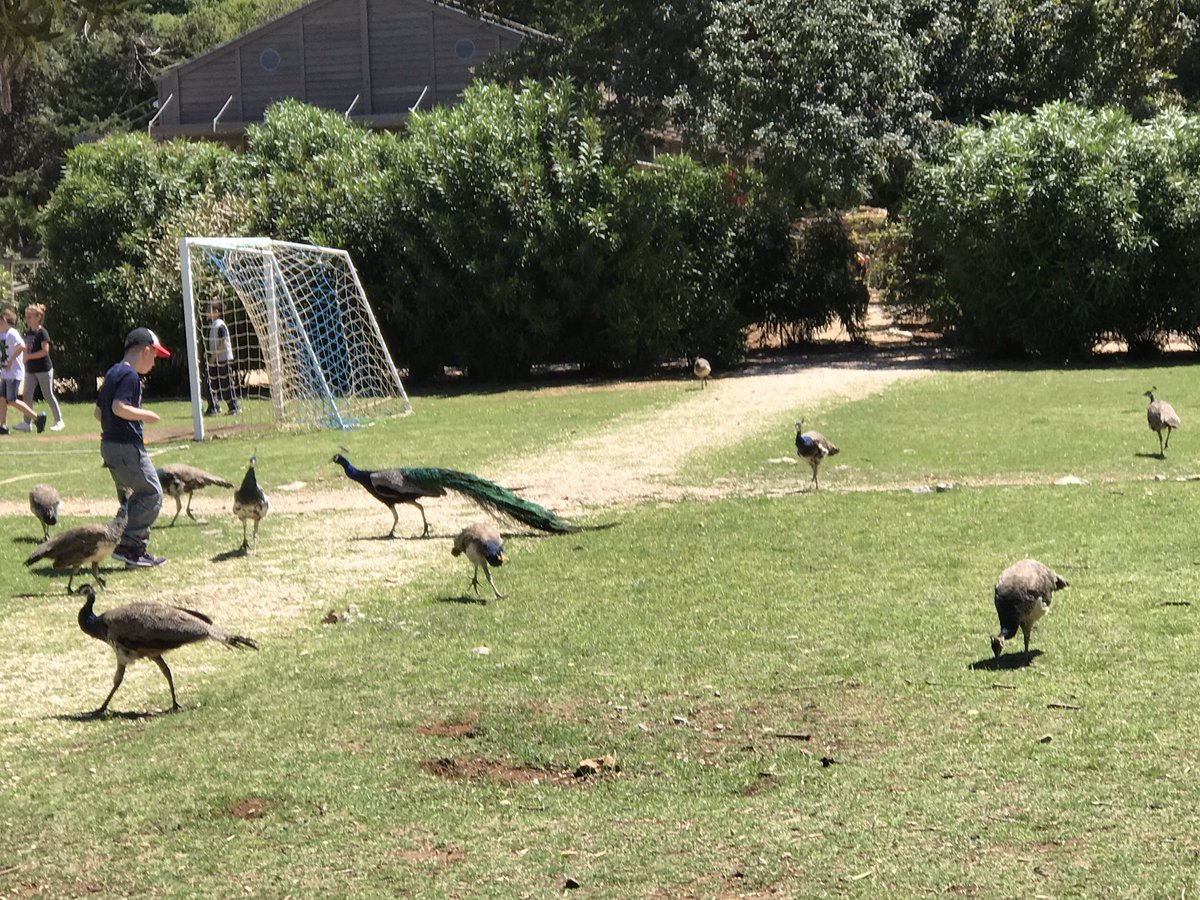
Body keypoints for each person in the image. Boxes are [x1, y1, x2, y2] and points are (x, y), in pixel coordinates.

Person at [95, 327, 170, 568]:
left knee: (131, 498)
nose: (154, 363)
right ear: (145, 351)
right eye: (154, 357)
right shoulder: (130, 376)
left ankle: (122, 544)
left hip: (109, 445)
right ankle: (129, 546)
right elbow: (118, 407)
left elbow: (99, 412)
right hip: (127, 447)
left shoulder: (112, 373)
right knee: (151, 494)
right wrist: (145, 415)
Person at [16, 303, 64, 432]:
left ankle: (59, 420)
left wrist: (29, 357)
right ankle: (27, 423)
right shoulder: (28, 332)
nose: (28, 319)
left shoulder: (42, 332)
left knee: (47, 395)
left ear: (38, 318)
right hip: (31, 370)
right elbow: (26, 348)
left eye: (30, 316)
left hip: (43, 369)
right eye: (27, 316)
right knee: (27, 395)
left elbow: (45, 351)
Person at [0, 306, 46, 436]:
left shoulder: (12, 333)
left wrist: (10, 361)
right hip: (5, 373)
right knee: (2, 398)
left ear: (5, 320)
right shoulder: (2, 334)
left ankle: (37, 418)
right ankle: (2, 426)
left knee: (12, 399)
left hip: (14, 372)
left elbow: (22, 346)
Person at [205, 300, 240, 416]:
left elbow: (223, 343)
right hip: (216, 360)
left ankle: (234, 407)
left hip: (222, 359)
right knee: (209, 383)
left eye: (209, 309)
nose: (206, 312)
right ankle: (213, 407)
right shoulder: (212, 324)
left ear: (216, 312)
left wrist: (213, 358)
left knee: (226, 384)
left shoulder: (219, 324)